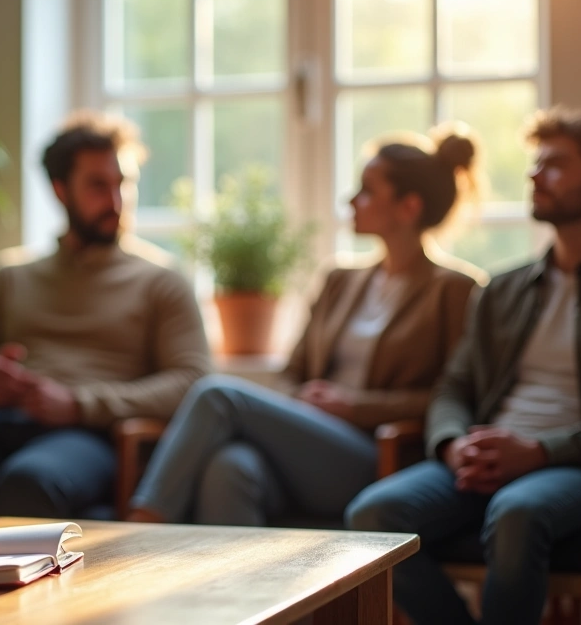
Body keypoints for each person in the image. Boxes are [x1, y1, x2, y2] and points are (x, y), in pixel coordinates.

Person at [346, 108, 581, 625]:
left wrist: (539, 452)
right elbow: (453, 386)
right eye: (535, 163)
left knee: (518, 512)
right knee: (371, 515)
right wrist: (453, 443)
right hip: (486, 456)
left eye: (554, 165)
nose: (533, 174)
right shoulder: (502, 289)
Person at [125, 126, 483, 527]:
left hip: (377, 454)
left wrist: (355, 407)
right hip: (307, 444)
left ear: (408, 207)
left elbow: (453, 396)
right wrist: (304, 398)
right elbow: (290, 374)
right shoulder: (339, 280)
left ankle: (142, 528)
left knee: (217, 394)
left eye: (366, 190)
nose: (351, 200)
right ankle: (236, 591)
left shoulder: (455, 290)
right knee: (230, 467)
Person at [0, 112, 212, 526]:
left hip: (87, 437)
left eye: (122, 183)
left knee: (28, 482)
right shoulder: (9, 276)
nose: (115, 201)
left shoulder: (160, 281)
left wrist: (78, 405)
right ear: (60, 190)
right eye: (97, 186)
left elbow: (192, 381)